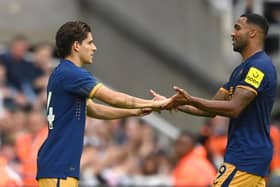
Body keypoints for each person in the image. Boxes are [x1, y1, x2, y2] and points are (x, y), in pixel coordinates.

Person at [36, 21, 171, 187]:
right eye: (90, 43)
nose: (94, 48)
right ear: (77, 46)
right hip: (59, 167)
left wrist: (134, 112)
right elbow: (112, 97)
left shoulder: (63, 73)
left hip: (58, 165)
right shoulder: (72, 73)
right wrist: (155, 104)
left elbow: (92, 109)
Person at [152, 13, 278, 186]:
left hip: (246, 157)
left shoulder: (259, 67)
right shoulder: (240, 70)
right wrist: (172, 103)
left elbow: (234, 108)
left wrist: (190, 99)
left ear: (253, 33)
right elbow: (208, 110)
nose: (232, 33)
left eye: (238, 28)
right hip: (246, 156)